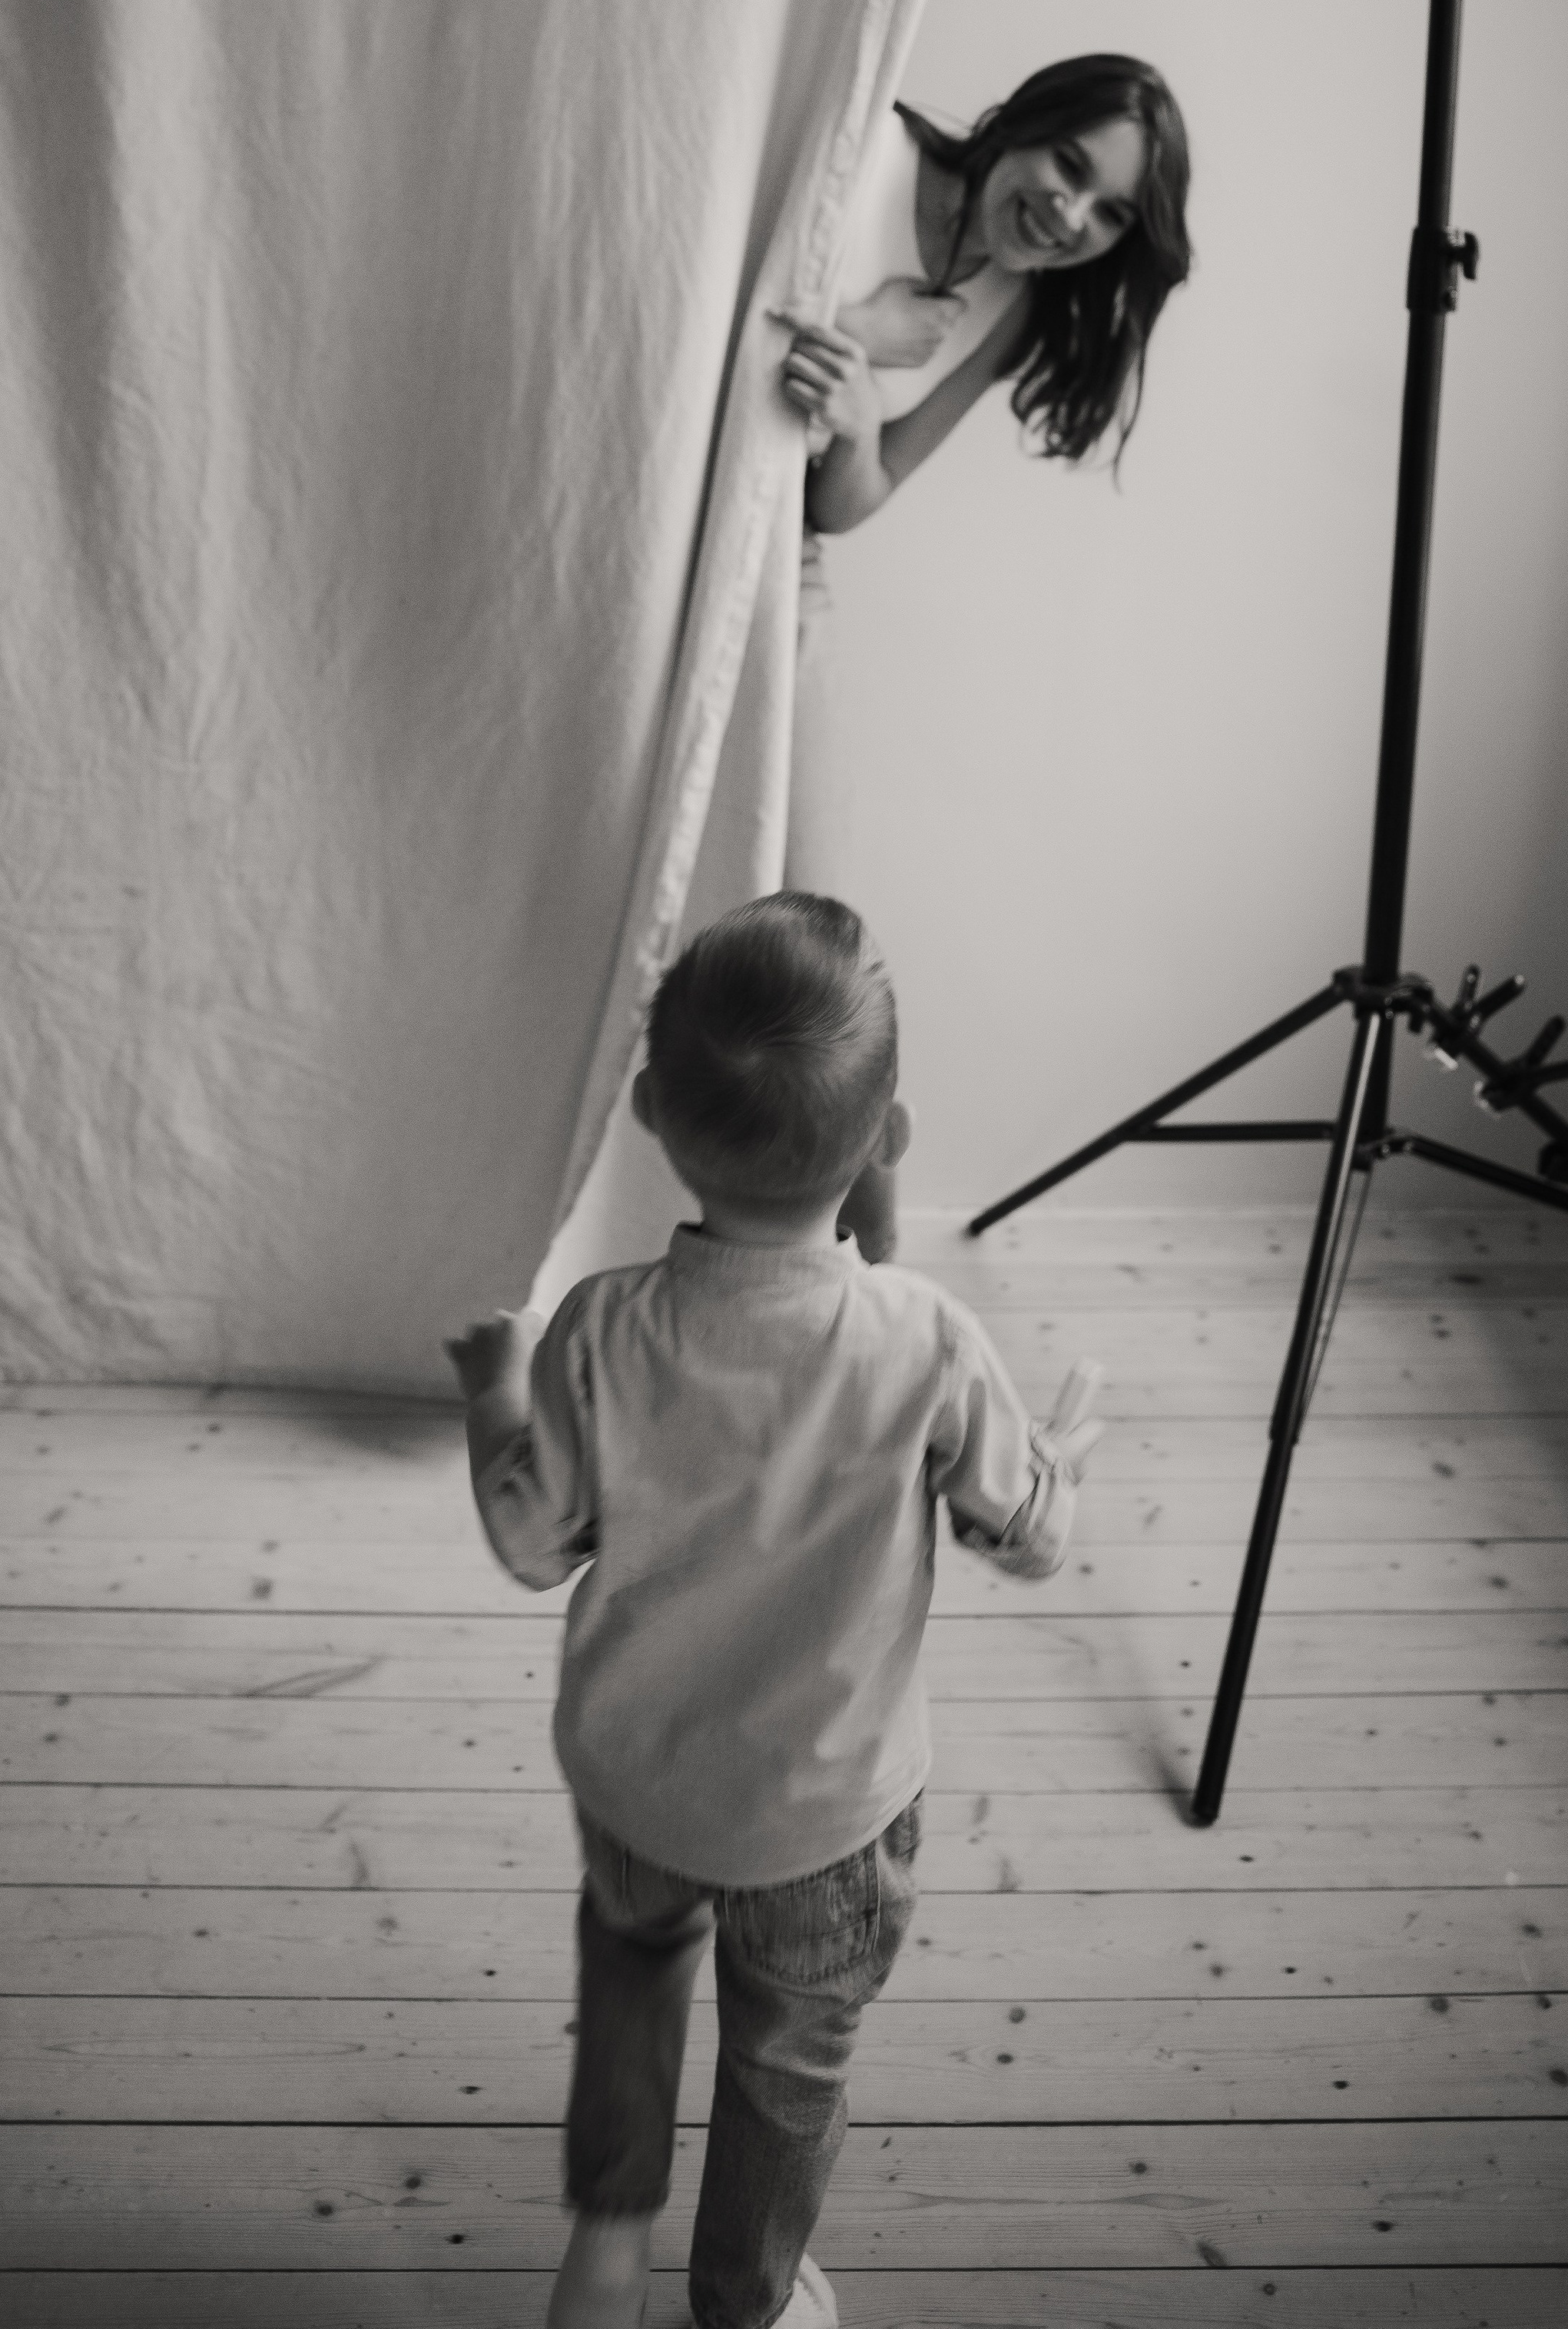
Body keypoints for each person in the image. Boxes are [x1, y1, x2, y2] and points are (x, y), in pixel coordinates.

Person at [447, 891, 1104, 2329]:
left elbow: (529, 1541)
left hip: (637, 1789)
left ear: (646, 1111)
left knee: (630, 1981)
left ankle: (604, 2243)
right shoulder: (926, 1342)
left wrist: (492, 1390)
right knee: (787, 2063)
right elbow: (1031, 1535)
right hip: (828, 1821)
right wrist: (1057, 1458)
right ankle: (744, 2295)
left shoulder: (603, 1330)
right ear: (891, 1138)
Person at [775, 52, 1192, 1263]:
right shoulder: (858, 154)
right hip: (658, 539)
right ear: (1022, 127)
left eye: (1111, 212)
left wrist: (855, 417)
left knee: (815, 913)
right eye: (1071, 167)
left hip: (778, 570)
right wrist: (850, 331)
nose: (1072, 216)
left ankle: (856, 1156)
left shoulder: (1013, 314)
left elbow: (851, 501)